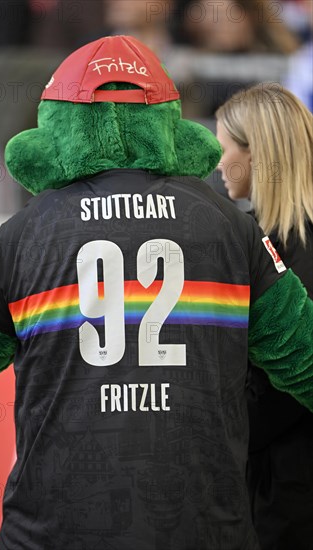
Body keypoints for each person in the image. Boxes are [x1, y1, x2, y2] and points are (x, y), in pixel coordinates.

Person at [0, 37, 313, 550]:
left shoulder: (21, 235)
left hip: (51, 532)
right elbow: (306, 357)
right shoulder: (231, 227)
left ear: (58, 126)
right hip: (207, 530)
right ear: (169, 124)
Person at [215, 82, 313, 550]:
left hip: (292, 484)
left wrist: (220, 437)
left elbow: (288, 382)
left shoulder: (296, 245)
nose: (217, 164)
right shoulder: (261, 235)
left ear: (258, 153)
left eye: (223, 148)